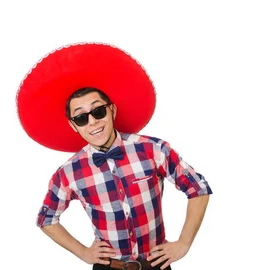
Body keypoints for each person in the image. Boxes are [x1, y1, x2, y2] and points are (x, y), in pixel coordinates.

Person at [17, 43, 212, 270]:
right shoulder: (68, 173)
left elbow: (198, 188)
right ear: (73, 126)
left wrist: (184, 244)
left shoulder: (153, 149)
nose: (93, 122)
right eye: (81, 118)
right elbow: (46, 219)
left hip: (156, 264)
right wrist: (83, 252)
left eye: (98, 111)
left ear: (112, 111)